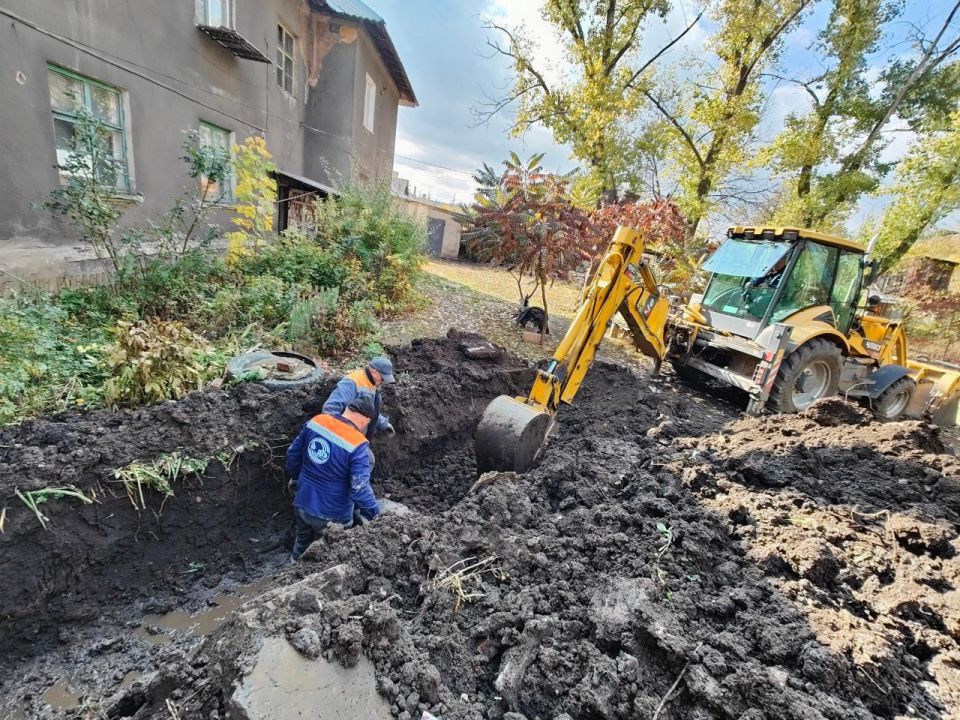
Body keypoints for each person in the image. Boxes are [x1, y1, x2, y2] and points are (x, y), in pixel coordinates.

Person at [286, 394, 381, 561]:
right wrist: (377, 516)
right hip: (333, 516)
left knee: (301, 543)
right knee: (328, 557)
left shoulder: (317, 422)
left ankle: (291, 572)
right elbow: (359, 489)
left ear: (347, 409)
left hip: (303, 502)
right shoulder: (358, 444)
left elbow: (293, 455)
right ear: (365, 420)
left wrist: (296, 479)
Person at [323, 357, 396, 438]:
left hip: (359, 438)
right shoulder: (352, 383)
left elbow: (367, 411)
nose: (383, 381)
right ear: (374, 371)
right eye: (382, 378)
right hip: (347, 439)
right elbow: (330, 409)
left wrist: (383, 424)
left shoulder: (372, 384)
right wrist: (342, 436)